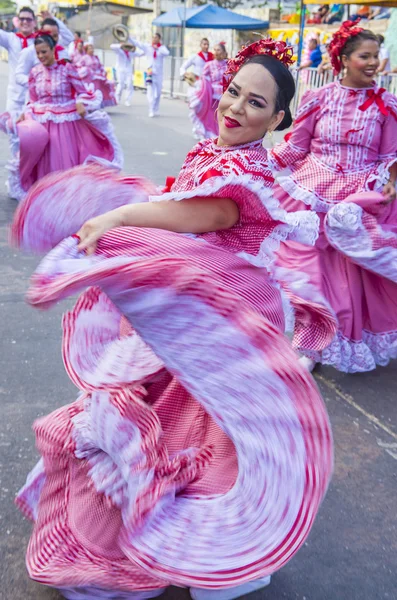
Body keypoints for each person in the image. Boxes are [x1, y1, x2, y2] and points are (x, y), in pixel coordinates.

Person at [12, 39, 334, 600]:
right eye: (233, 92)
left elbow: (203, 214)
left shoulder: (248, 173)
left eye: (255, 104)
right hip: (199, 309)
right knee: (167, 420)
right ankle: (171, 540)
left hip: (221, 322)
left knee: (197, 432)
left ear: (279, 117)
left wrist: (115, 215)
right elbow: (180, 212)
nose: (235, 108)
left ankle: (195, 548)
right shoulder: (213, 151)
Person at [269, 21, 397, 373]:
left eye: (376, 56)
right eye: (364, 56)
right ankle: (312, 342)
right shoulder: (319, 98)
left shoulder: (387, 104)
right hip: (311, 193)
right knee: (308, 275)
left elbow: (389, 156)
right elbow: (296, 147)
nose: (373, 63)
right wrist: (258, 165)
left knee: (347, 282)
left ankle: (333, 340)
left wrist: (390, 182)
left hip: (357, 201)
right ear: (343, 58)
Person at [1, 32, 123, 201]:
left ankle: (66, 198)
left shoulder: (67, 68)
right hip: (41, 123)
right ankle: (46, 196)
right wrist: (25, 113)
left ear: (53, 50)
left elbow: (83, 91)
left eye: (44, 51)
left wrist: (81, 102)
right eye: (38, 53)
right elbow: (33, 99)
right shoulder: (35, 72)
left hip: (65, 124)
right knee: (43, 163)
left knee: (62, 162)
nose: (41, 56)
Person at [14, 16, 74, 105]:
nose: (53, 39)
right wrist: (38, 83)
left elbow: (70, 76)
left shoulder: (62, 52)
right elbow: (19, 75)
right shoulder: (29, 52)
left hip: (62, 103)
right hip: (37, 102)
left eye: (55, 36)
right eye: (49, 35)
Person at [187, 42, 228, 139]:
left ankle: (221, 135)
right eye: (215, 50)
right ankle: (210, 136)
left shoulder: (228, 65)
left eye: (219, 50)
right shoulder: (209, 65)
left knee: (222, 117)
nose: (216, 52)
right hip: (212, 96)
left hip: (225, 95)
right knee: (212, 116)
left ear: (224, 52)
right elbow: (203, 79)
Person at [0, 7, 36, 116]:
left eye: (29, 19)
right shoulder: (11, 39)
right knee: (13, 131)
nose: (25, 22)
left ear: (34, 22)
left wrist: (52, 18)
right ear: (18, 21)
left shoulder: (40, 41)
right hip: (14, 98)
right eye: (22, 19)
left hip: (34, 98)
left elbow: (68, 38)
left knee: (32, 132)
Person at [129, 31, 170, 117]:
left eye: (156, 38)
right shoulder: (148, 47)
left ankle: (156, 109)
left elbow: (167, 53)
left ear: (159, 39)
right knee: (150, 92)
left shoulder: (162, 48)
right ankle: (151, 109)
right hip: (150, 72)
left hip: (159, 73)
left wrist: (157, 48)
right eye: (153, 37)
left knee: (158, 93)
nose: (154, 39)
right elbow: (138, 43)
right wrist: (128, 37)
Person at [77, 42, 117, 107]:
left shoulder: (96, 57)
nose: (91, 50)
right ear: (86, 50)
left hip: (97, 77)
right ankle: (90, 104)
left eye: (92, 48)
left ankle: (98, 104)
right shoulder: (84, 58)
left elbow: (100, 66)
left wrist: (103, 71)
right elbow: (78, 66)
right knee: (91, 91)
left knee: (99, 91)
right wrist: (85, 70)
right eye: (90, 48)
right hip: (89, 79)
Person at [110, 39, 144, 106]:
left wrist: (147, 49)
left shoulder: (131, 52)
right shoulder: (119, 50)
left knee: (129, 84)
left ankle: (127, 100)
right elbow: (112, 46)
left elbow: (141, 53)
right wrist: (121, 45)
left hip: (128, 69)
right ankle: (117, 98)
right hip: (120, 68)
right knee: (121, 84)